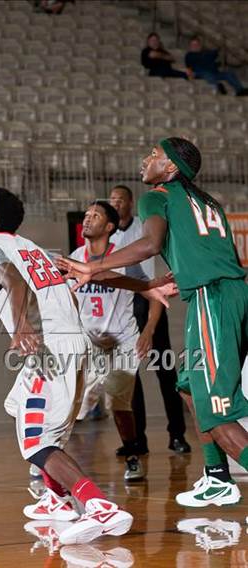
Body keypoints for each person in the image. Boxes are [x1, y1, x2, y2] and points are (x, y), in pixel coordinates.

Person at [0, 187, 175, 544]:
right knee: (21, 408)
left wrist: (20, 326)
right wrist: (146, 287)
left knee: (35, 443)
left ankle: (97, 505)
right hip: (76, 345)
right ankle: (58, 499)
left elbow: (12, 282)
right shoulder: (33, 249)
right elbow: (91, 274)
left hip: (51, 349)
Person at [57, 137, 248, 508]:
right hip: (228, 293)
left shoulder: (156, 196)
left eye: (155, 155)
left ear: (172, 168)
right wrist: (185, 273)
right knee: (189, 387)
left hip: (213, 300)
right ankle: (217, 477)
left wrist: (94, 266)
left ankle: (224, 474)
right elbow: (212, 251)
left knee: (217, 413)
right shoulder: (207, 201)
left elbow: (151, 244)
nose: (146, 160)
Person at [69, 200, 164, 482]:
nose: (87, 219)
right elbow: (71, 299)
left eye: (95, 216)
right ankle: (49, 461)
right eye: (86, 215)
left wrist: (148, 331)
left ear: (109, 227)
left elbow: (153, 293)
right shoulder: (75, 256)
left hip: (123, 341)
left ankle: (133, 456)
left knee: (119, 405)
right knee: (73, 404)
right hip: (92, 342)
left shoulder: (124, 260)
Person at [109, 184, 191, 455]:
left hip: (150, 300)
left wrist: (150, 327)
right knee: (130, 378)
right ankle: (137, 441)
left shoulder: (144, 229)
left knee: (165, 372)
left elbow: (151, 287)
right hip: (124, 307)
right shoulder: (107, 239)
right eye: (112, 200)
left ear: (131, 203)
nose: (116, 203)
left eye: (120, 199)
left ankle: (177, 434)